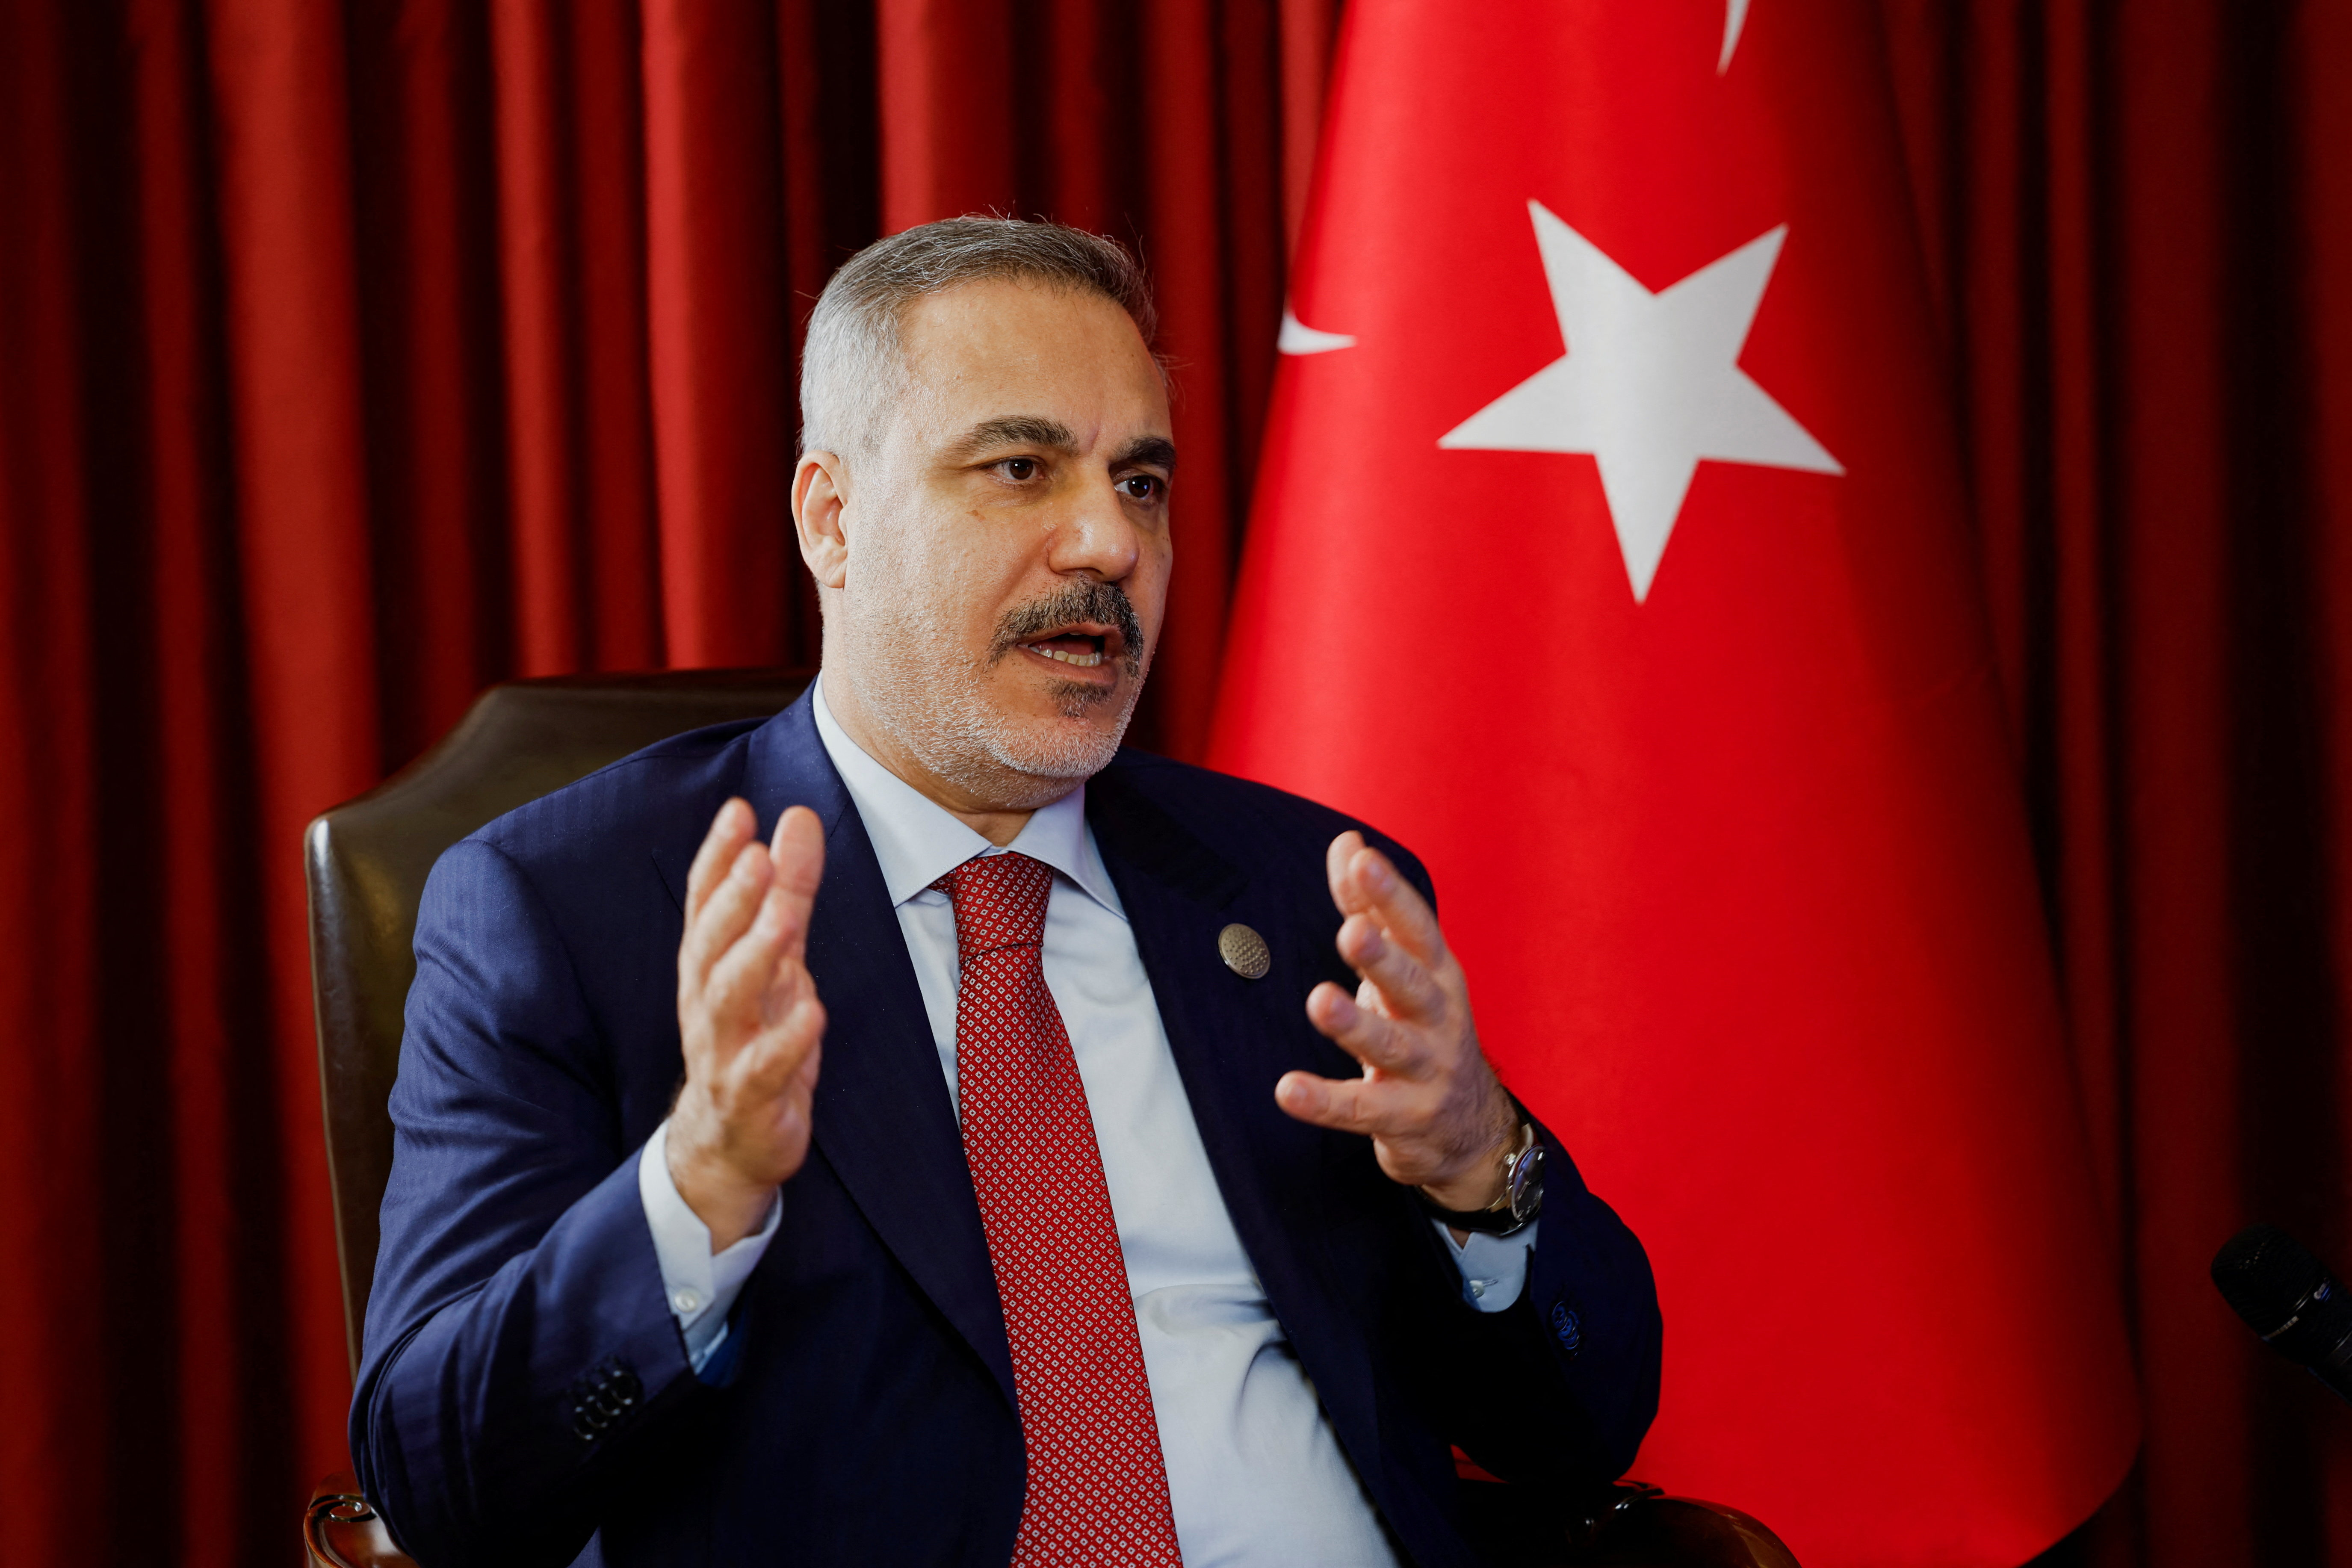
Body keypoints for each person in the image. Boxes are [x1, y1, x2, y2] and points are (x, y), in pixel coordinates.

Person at [352, 217, 1660, 1568]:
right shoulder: (571, 909)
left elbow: (1582, 1429)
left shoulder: (1302, 892)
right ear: (832, 519)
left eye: (1140, 481)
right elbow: (439, 1479)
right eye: (1020, 467)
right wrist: (697, 1190)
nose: (1107, 540)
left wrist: (1477, 1168)